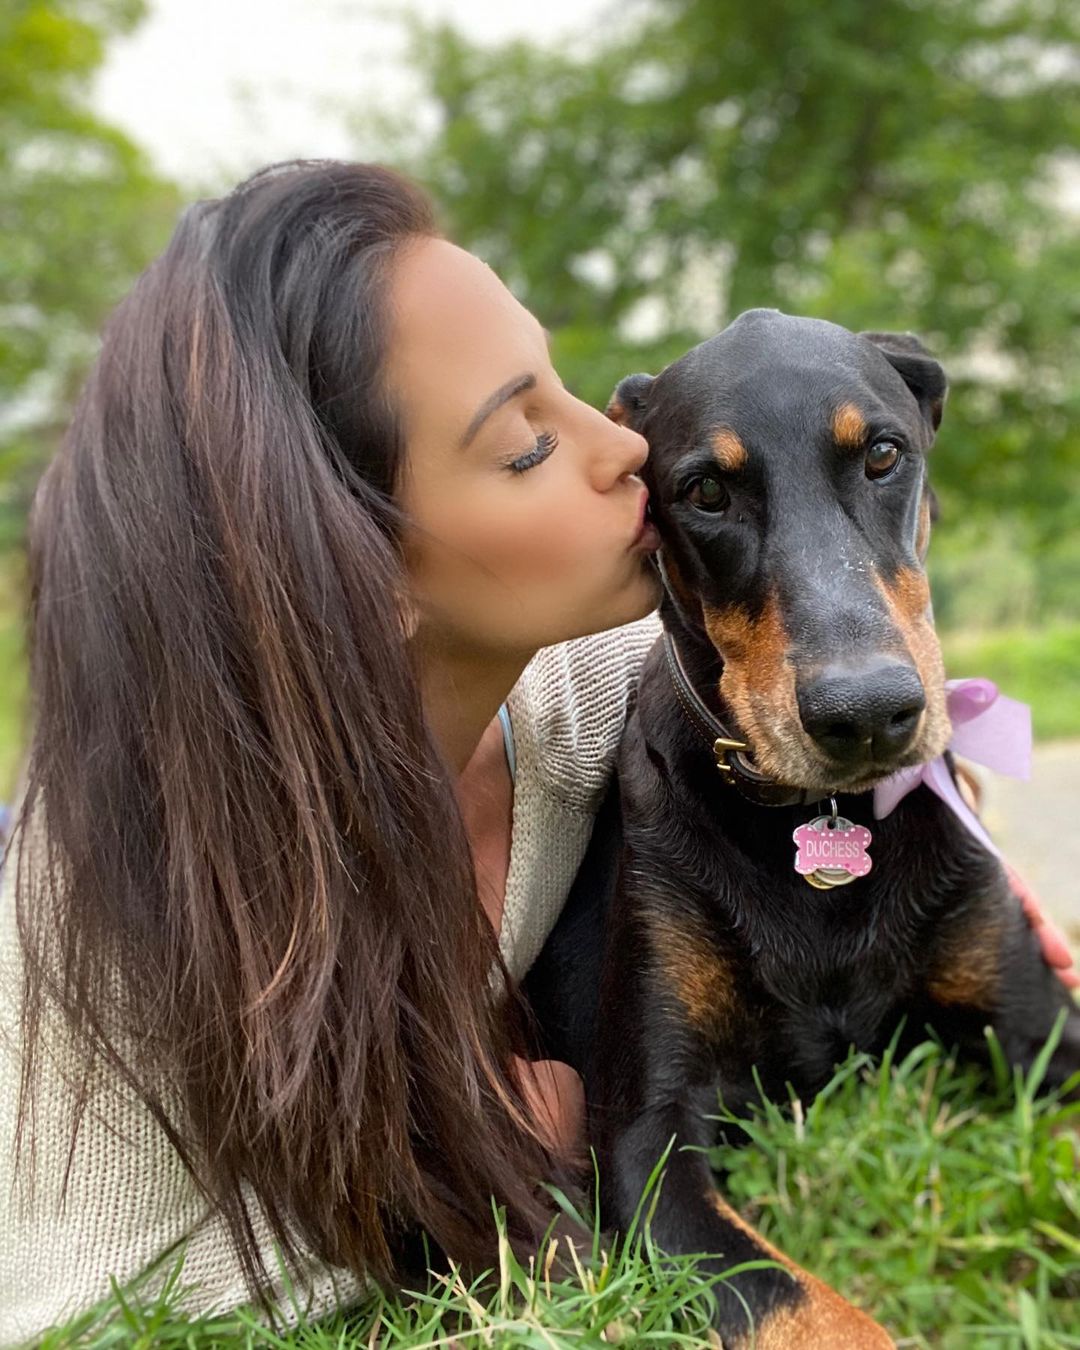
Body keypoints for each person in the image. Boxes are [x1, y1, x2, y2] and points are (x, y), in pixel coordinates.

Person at [0, 159, 1072, 1345]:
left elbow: (814, 672)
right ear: (359, 571)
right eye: (524, 441)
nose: (625, 449)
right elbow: (82, 1309)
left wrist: (946, 819)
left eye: (563, 387)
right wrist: (463, 1150)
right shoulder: (97, 913)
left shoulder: (586, 692)